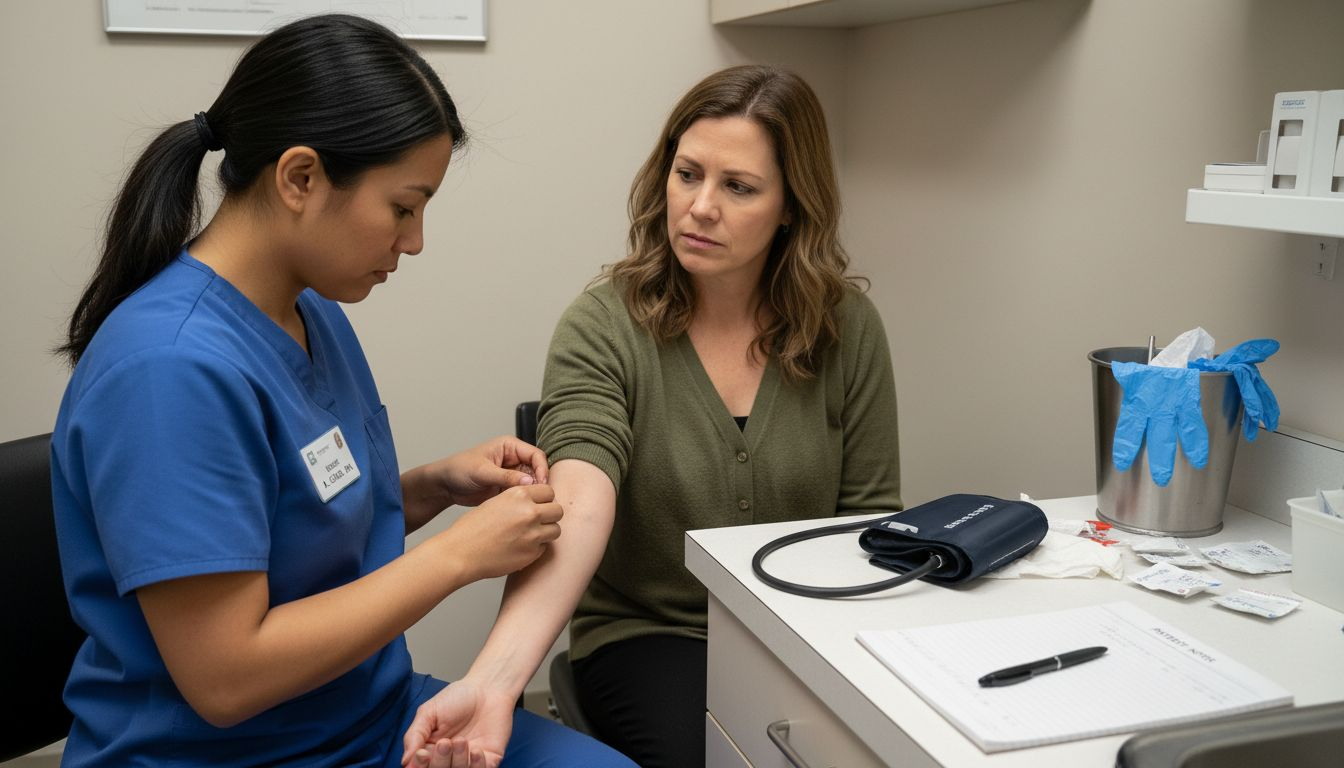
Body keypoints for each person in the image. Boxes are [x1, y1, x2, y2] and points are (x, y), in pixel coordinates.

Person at [49, 14, 635, 768]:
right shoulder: (167, 370)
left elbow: (289, 520)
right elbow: (226, 679)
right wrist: (459, 556)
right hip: (230, 752)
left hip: (365, 716)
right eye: (403, 207)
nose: (415, 240)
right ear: (300, 178)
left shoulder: (307, 311)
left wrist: (430, 486)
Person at [403, 64, 901, 768]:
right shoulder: (604, 326)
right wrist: (492, 682)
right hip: (650, 635)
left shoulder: (847, 328)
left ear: (791, 205)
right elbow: (576, 500)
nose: (700, 207)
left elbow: (871, 522)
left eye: (738, 187)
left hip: (805, 633)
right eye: (688, 173)